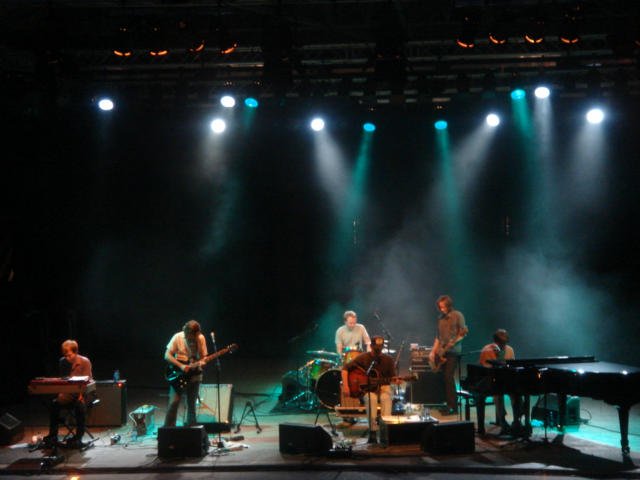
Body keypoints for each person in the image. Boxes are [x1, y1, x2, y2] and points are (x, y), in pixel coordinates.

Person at [341, 335, 400, 444]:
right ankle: (372, 432)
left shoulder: (388, 360)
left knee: (386, 397)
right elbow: (345, 369)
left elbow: (393, 378)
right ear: (371, 347)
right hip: (369, 389)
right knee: (371, 399)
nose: (378, 350)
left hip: (383, 386)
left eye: (380, 348)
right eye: (376, 348)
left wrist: (396, 381)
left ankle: (385, 430)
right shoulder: (363, 357)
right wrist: (346, 386)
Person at [43, 339, 93, 448]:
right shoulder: (63, 362)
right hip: (68, 394)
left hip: (83, 394)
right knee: (54, 405)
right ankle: (53, 436)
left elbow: (88, 382)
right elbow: (64, 381)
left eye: (69, 355)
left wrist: (80, 396)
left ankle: (78, 438)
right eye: (65, 355)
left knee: (80, 407)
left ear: (76, 352)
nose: (67, 358)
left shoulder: (84, 361)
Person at [478, 329, 524, 435]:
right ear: (495, 341)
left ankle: (517, 421)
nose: (503, 345)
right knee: (498, 394)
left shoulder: (510, 350)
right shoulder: (487, 350)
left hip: (507, 380)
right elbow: (485, 370)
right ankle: (502, 422)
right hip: (491, 381)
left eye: (505, 342)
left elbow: (512, 366)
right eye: (501, 343)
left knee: (517, 393)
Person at [163, 319, 208, 427]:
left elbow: (204, 357)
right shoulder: (177, 337)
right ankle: (168, 430)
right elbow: (167, 355)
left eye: (194, 337)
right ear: (186, 332)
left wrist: (202, 362)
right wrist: (181, 366)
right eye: (189, 337)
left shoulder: (201, 338)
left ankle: (191, 431)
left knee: (192, 406)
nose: (192, 340)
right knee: (173, 403)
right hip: (179, 375)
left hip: (195, 376)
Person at [428, 295, 468, 415]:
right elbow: (438, 338)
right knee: (442, 377)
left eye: (443, 307)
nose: (442, 309)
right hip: (442, 351)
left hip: (453, 351)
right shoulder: (440, 318)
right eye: (440, 307)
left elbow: (463, 333)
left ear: (449, 305)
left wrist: (453, 343)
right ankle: (446, 403)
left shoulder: (458, 315)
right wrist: (433, 351)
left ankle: (453, 407)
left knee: (448, 377)